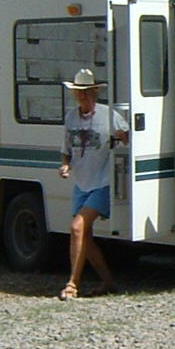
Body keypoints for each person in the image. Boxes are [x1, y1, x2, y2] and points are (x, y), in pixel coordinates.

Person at [57, 68, 128, 300]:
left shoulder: (108, 116)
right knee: (84, 236)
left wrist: (124, 137)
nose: (84, 96)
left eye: (87, 92)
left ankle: (72, 284)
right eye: (80, 92)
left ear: (95, 92)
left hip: (102, 182)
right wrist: (66, 166)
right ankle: (108, 282)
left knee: (77, 227)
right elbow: (67, 150)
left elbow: (127, 136)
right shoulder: (71, 117)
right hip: (81, 182)